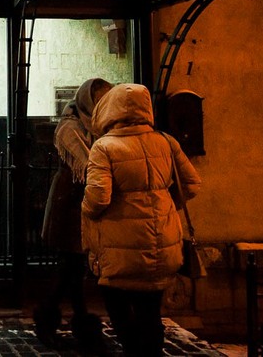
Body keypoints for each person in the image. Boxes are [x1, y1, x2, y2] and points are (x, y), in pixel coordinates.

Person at [81, 83, 201, 357]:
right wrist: (167, 207)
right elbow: (192, 184)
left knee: (120, 309)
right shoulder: (166, 142)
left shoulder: (104, 147)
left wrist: (86, 209)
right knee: (150, 312)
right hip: (162, 243)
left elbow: (98, 199)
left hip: (120, 246)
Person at [34, 77, 112, 353]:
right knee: (70, 264)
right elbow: (88, 165)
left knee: (73, 268)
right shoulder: (70, 128)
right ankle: (58, 321)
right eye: (99, 100)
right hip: (69, 204)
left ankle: (73, 322)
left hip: (81, 201)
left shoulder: (97, 128)